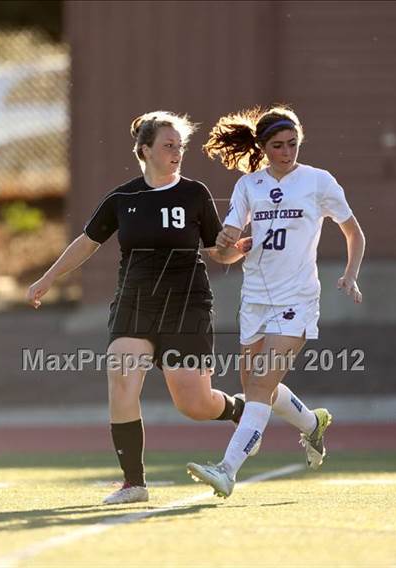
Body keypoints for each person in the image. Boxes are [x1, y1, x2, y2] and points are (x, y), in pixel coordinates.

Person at [27, 110, 260, 505]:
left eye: (180, 146)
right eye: (169, 145)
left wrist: (236, 252)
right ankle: (134, 483)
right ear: (145, 150)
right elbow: (86, 242)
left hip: (187, 304)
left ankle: (244, 413)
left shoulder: (195, 194)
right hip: (135, 303)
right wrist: (48, 278)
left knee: (195, 405)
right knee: (120, 379)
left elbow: (216, 252)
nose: (177, 152)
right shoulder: (123, 198)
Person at [187, 104, 366, 497]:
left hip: (297, 298)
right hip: (254, 299)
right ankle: (311, 425)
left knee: (260, 386)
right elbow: (230, 246)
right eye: (279, 146)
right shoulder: (249, 186)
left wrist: (350, 274)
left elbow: (354, 232)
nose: (288, 152)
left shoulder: (318, 182)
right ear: (264, 148)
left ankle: (227, 470)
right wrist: (224, 247)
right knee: (254, 384)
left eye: (293, 144)